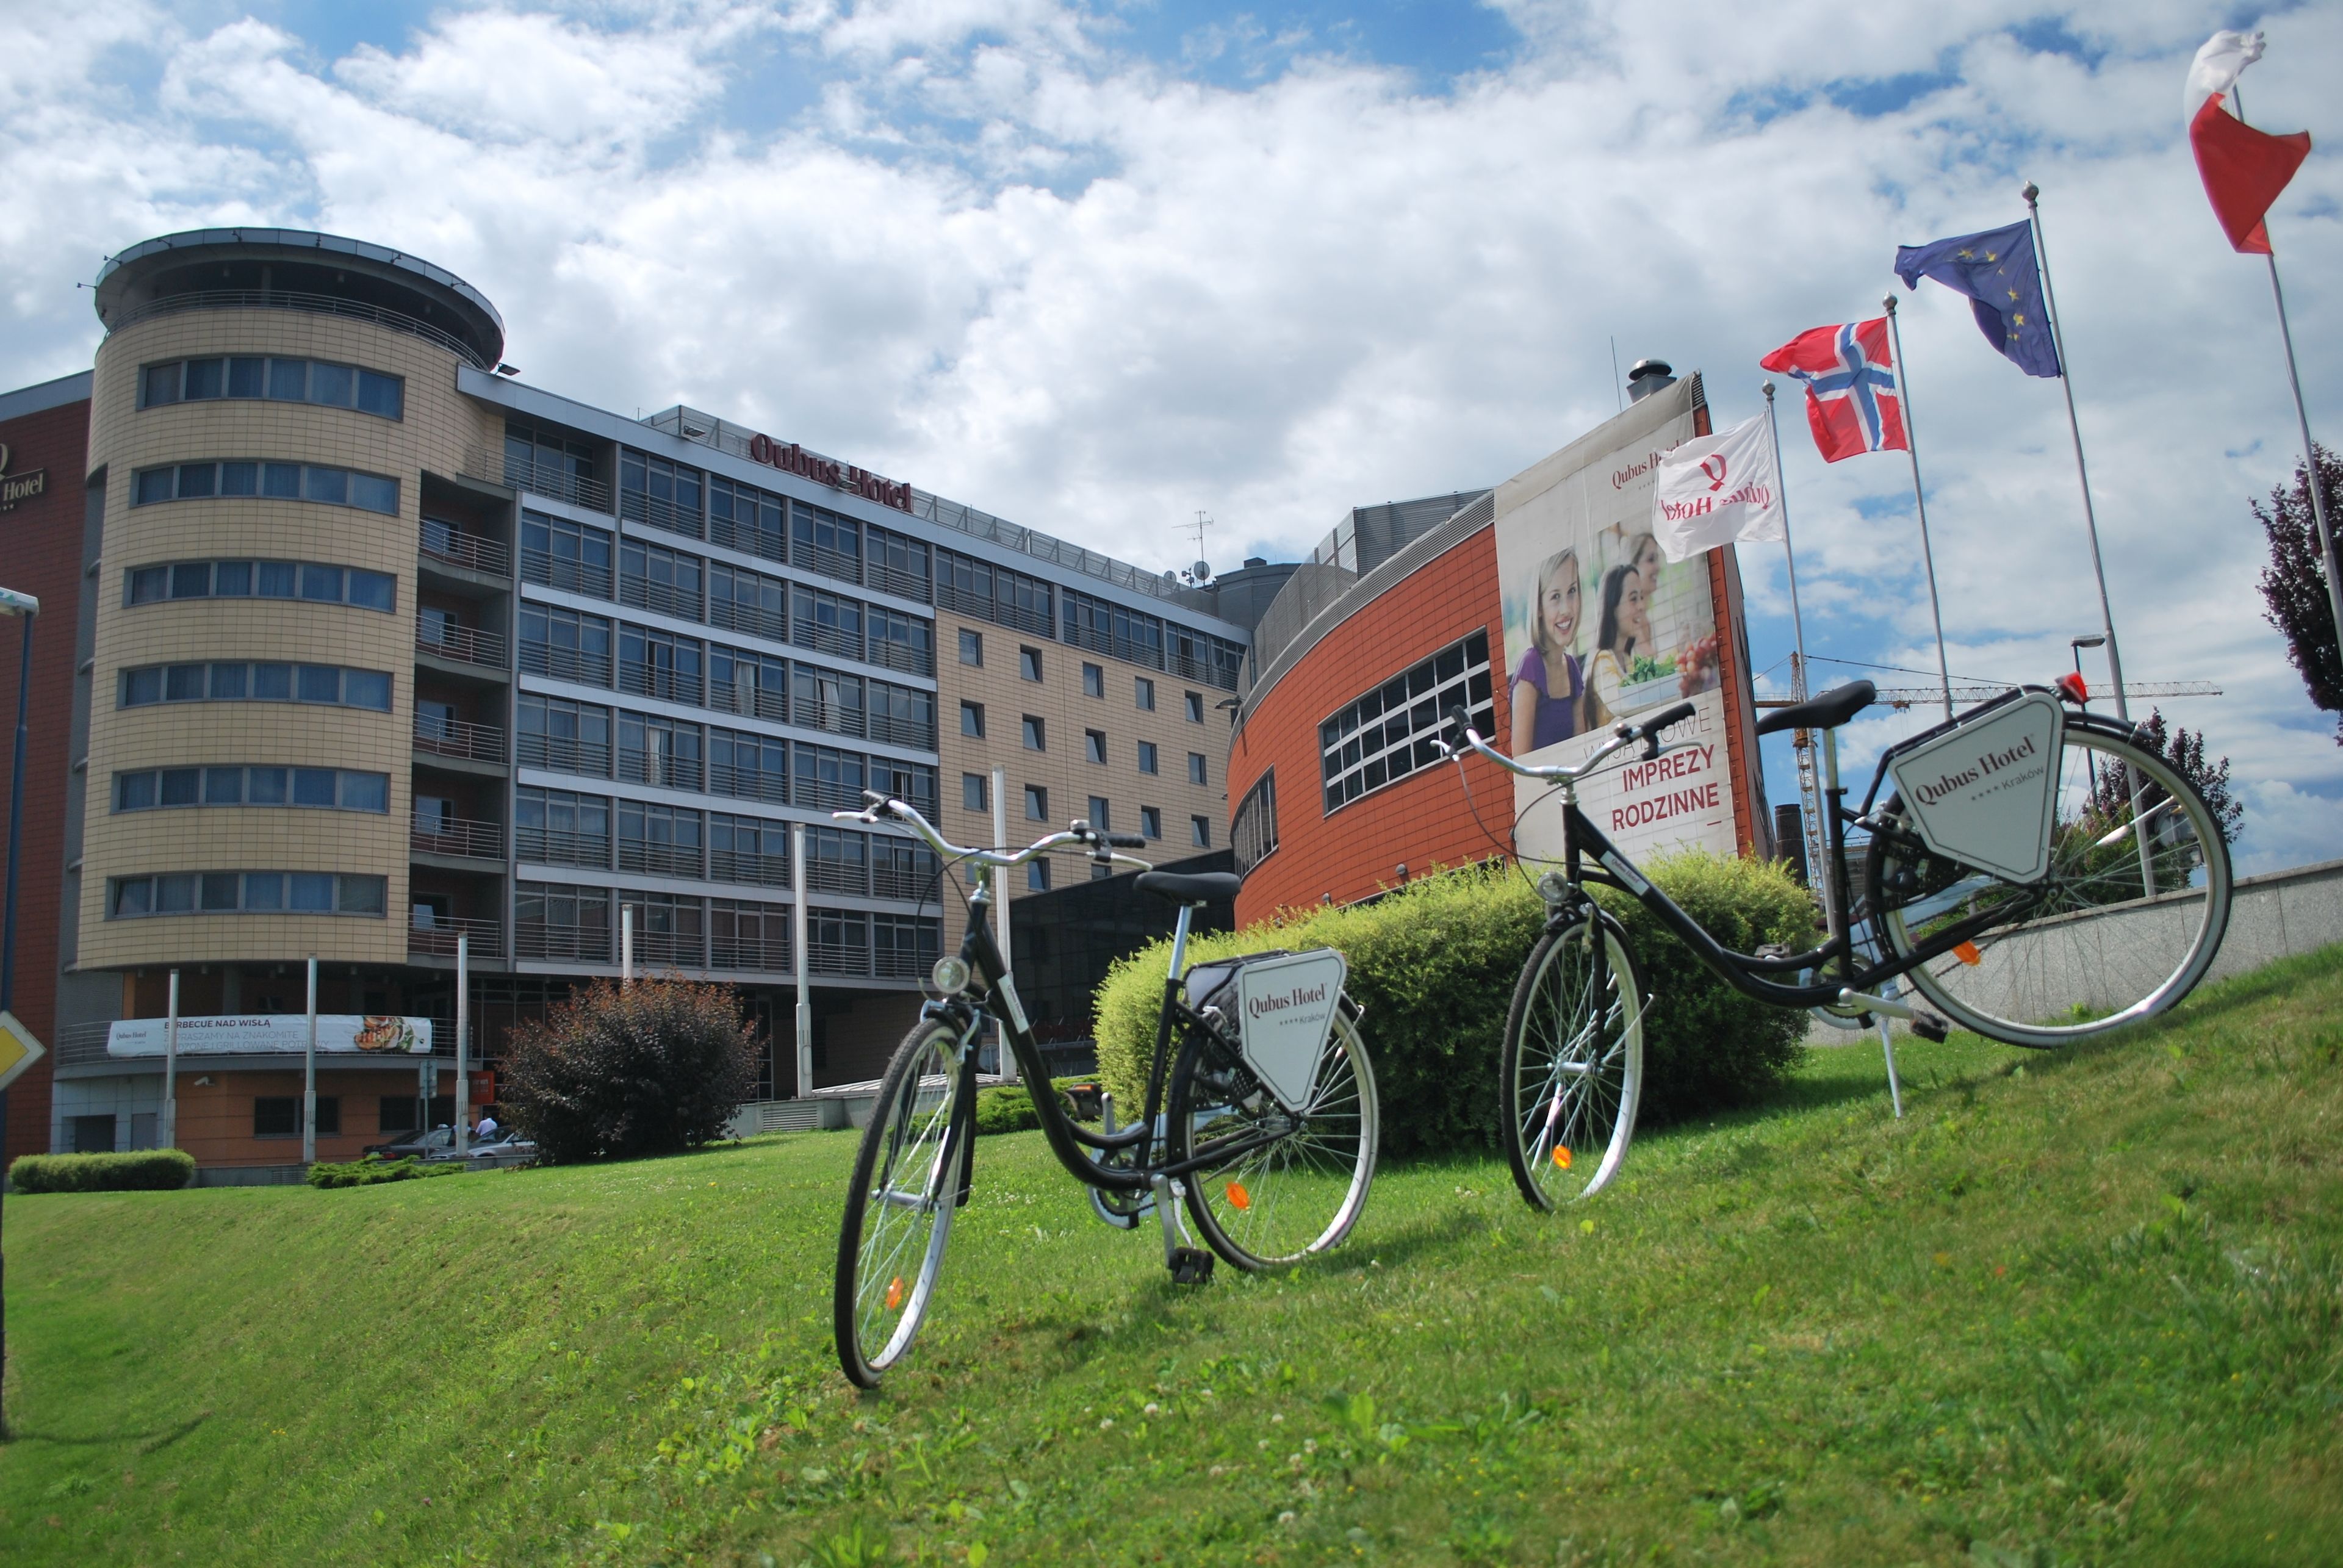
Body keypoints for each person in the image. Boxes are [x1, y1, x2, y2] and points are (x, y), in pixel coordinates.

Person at [1510, 548, 1587, 754]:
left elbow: (1582, 744)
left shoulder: (1572, 668)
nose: (1567, 610)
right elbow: (1521, 761)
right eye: (1555, 597)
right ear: (1540, 608)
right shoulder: (1530, 667)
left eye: (1572, 591)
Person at [1584, 563, 1650, 726]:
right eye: (1633, 599)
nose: (1642, 606)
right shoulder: (1602, 661)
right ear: (1613, 607)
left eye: (1641, 597)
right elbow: (1626, 706)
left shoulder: (1627, 659)